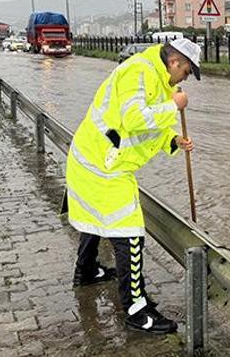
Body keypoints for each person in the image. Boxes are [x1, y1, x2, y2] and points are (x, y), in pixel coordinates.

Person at [66, 38, 200, 335]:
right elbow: (134, 118)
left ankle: (86, 271)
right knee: (130, 234)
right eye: (187, 72)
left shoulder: (159, 80)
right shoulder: (138, 71)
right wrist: (173, 106)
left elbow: (148, 127)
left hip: (99, 159)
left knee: (96, 218)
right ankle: (136, 311)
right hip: (103, 164)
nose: (185, 79)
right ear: (175, 62)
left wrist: (173, 140)